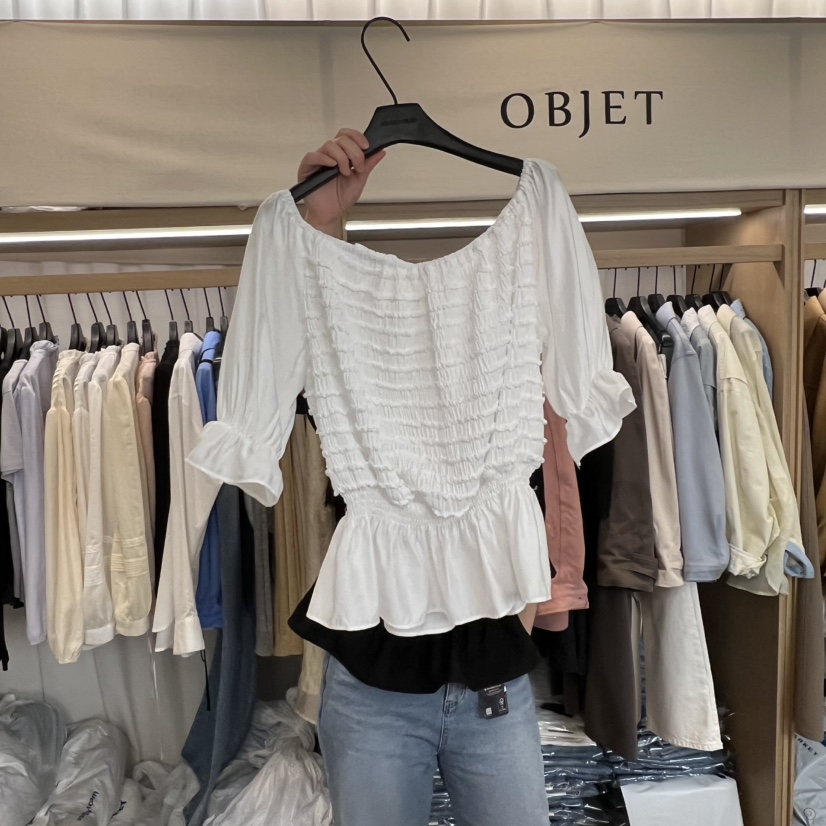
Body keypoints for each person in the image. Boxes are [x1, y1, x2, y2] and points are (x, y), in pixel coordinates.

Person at [295, 129, 550, 826]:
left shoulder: (515, 323)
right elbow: (315, 327)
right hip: (372, 685)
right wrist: (321, 221)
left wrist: (520, 617)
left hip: (493, 680)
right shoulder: (355, 367)